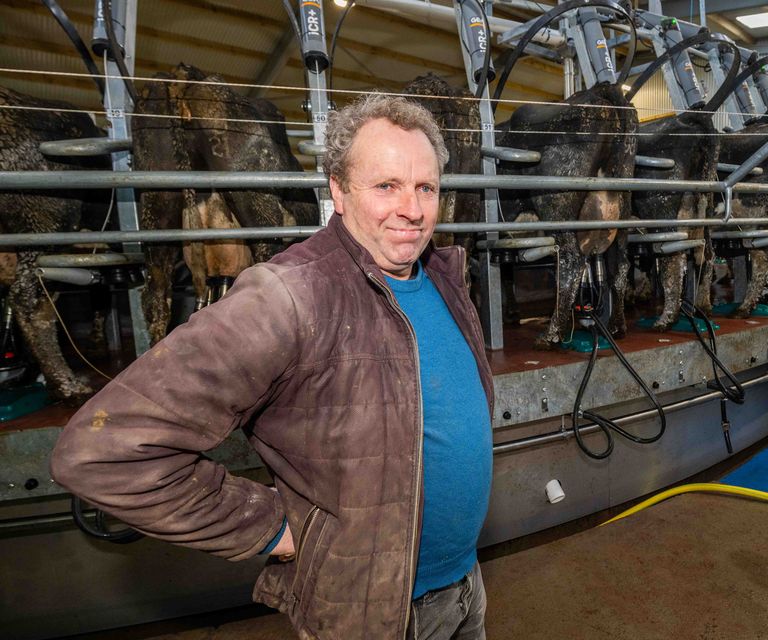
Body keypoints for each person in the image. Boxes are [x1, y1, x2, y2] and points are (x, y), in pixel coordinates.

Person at [51, 94, 495, 640]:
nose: (412, 207)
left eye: (425, 187)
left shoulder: (445, 276)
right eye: (385, 186)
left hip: (465, 585)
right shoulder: (288, 296)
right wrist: (274, 528)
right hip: (373, 611)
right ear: (338, 188)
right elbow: (102, 450)